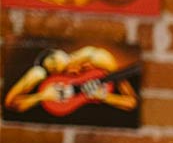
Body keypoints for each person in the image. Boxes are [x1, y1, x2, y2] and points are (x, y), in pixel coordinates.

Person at [4, 46, 138, 116]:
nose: (54, 65)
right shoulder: (44, 75)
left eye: (53, 60)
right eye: (52, 69)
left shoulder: (97, 58)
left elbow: (131, 102)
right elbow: (9, 103)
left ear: (59, 52)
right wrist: (42, 96)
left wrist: (104, 97)